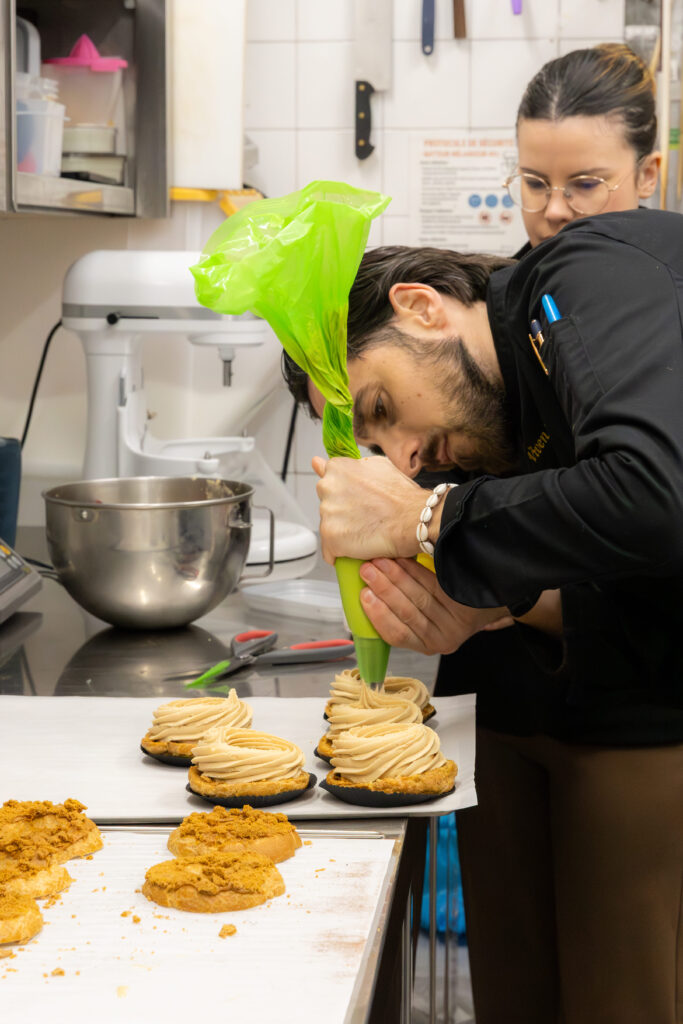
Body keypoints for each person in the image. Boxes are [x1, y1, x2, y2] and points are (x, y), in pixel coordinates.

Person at [312, 216, 683, 1024]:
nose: (407, 460)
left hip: (643, 729)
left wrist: (426, 520)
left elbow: (653, 499)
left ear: (420, 307)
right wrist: (486, 607)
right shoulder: (474, 428)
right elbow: (607, 584)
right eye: (374, 444)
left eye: (382, 406)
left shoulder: (587, 279)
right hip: (523, 714)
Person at [282, 42, 661, 419]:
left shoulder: (664, 299)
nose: (555, 210)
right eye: (534, 182)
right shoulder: (499, 318)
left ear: (648, 175)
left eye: (586, 184)